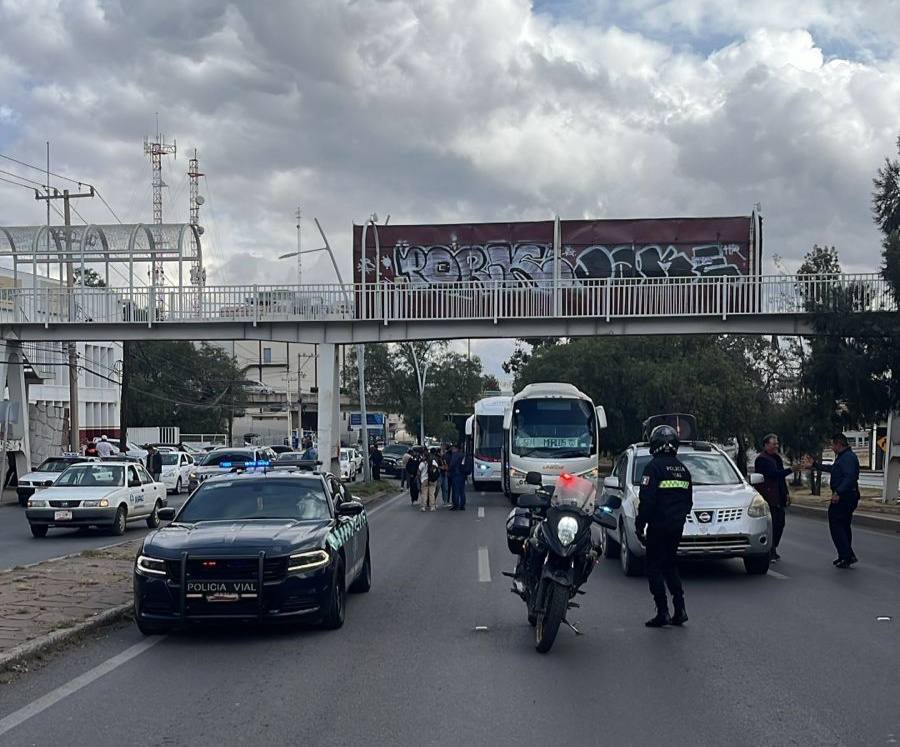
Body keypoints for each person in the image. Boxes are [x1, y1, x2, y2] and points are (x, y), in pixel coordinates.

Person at [635, 424, 693, 628]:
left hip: (658, 527)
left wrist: (640, 525)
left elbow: (647, 501)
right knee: (670, 565)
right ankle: (680, 609)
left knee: (653, 567)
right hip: (676, 527)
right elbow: (688, 502)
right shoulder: (683, 470)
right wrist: (678, 519)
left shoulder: (653, 468)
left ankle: (663, 612)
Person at [804, 434, 861, 568]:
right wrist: (815, 465)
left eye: (832, 444)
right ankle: (845, 555)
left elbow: (849, 477)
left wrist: (838, 492)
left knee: (836, 525)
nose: (831, 447)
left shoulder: (848, 458)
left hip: (845, 497)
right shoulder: (843, 457)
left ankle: (847, 555)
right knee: (844, 525)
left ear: (839, 444)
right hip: (846, 495)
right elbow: (834, 469)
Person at [754, 434, 793, 562]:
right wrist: (791, 469)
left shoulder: (776, 458)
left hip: (779, 496)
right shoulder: (761, 460)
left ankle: (773, 546)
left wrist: (786, 493)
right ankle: (770, 550)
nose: (776, 446)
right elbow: (774, 474)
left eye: (777, 443)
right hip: (768, 497)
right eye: (774, 444)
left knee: (780, 523)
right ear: (766, 445)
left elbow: (781, 478)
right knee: (772, 524)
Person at [448, 444, 468, 511]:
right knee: (462, 491)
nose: (452, 450)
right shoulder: (463, 455)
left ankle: (456, 505)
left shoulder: (455, 455)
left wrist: (449, 469)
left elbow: (452, 464)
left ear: (456, 449)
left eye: (453, 448)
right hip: (463, 474)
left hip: (456, 474)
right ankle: (462, 505)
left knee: (455, 491)